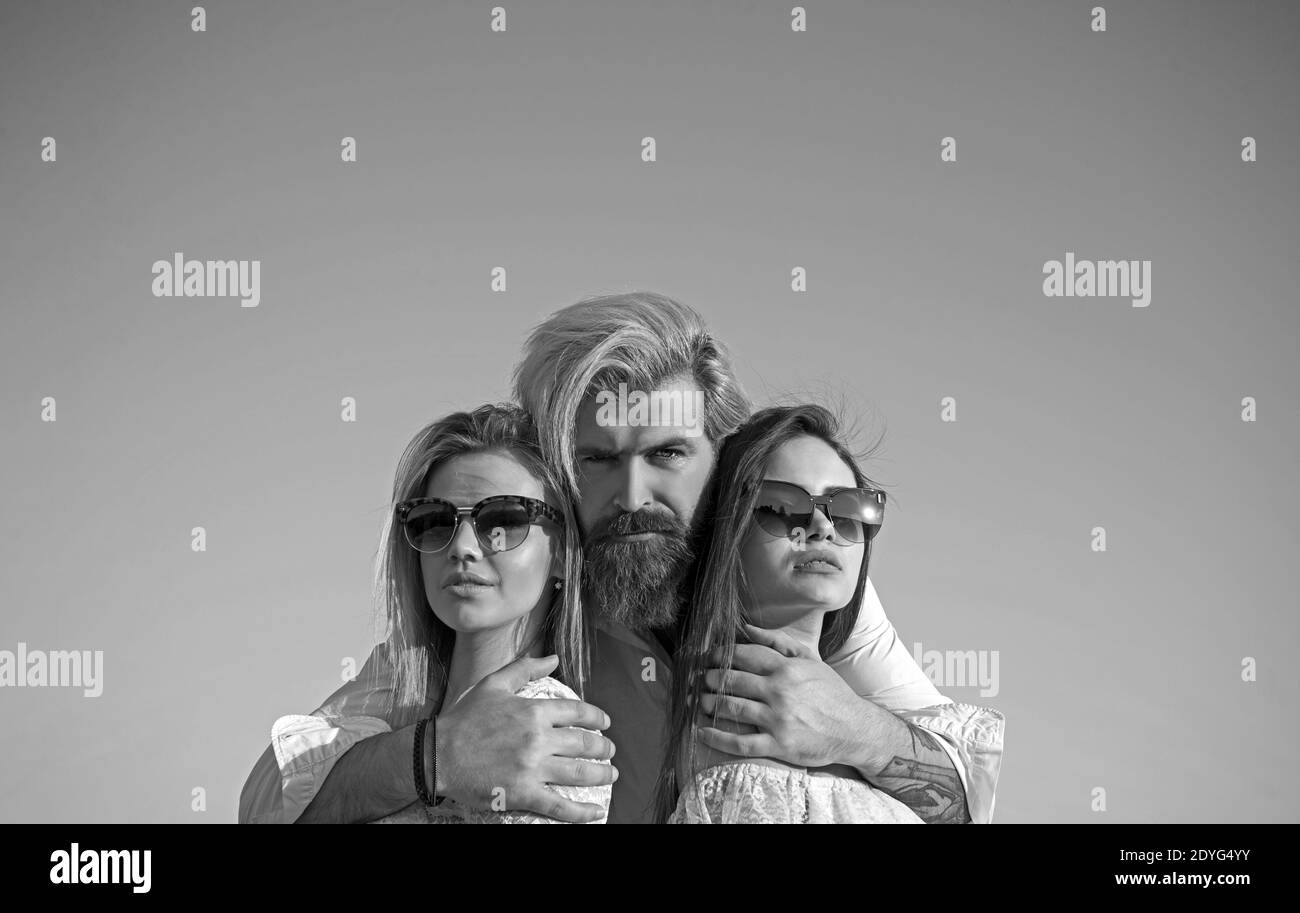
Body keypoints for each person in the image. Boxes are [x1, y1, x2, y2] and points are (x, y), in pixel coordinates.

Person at [239, 292, 1003, 824]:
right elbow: (268, 800)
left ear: (726, 458)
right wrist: (434, 755)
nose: (632, 492)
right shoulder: (515, 595)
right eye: (597, 459)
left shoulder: (804, 589)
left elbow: (970, 795)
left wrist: (859, 731)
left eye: (667, 453)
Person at [278, 403, 610, 824]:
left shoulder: (548, 725)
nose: (462, 547)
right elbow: (263, 804)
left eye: (504, 519)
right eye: (435, 521)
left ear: (561, 553)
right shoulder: (390, 695)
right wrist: (432, 752)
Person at [661, 404, 954, 823]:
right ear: (723, 532)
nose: (823, 527)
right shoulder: (736, 728)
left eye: (849, 509)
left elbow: (966, 786)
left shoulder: (853, 707)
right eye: (781, 508)